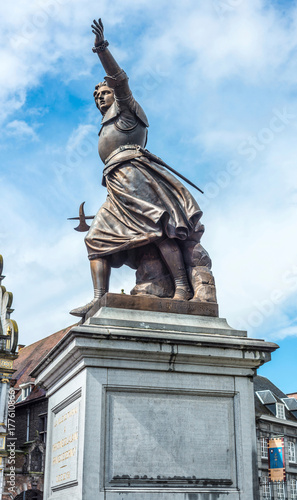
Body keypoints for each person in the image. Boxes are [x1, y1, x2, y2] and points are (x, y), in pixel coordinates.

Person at [70, 19, 214, 317]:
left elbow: (119, 78)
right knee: (94, 239)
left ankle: (182, 287)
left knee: (157, 229)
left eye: (104, 93)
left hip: (133, 173)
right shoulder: (107, 121)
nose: (100, 97)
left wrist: (101, 48)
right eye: (96, 95)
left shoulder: (126, 107)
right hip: (114, 182)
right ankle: (99, 298)